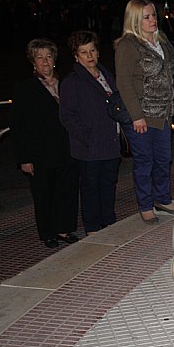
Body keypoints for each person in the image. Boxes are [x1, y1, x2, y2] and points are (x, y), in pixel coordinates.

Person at [12, 38, 80, 248]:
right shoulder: (25, 88)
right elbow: (19, 126)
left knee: (67, 191)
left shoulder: (66, 83)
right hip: (40, 152)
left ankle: (65, 228)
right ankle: (48, 232)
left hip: (67, 148)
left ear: (54, 60)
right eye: (39, 57)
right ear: (33, 61)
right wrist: (25, 158)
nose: (44, 61)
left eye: (48, 56)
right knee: (44, 194)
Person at [115, 0, 174, 223]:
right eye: (147, 17)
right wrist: (136, 115)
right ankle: (145, 204)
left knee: (163, 158)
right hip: (142, 113)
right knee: (145, 161)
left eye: (153, 15)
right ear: (134, 20)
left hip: (163, 111)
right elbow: (124, 83)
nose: (153, 20)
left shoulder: (161, 40)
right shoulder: (128, 45)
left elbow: (169, 74)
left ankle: (162, 196)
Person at [59, 30, 120, 236]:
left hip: (110, 142)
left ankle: (109, 223)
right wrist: (86, 136)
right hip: (89, 147)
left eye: (92, 50)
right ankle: (93, 228)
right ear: (76, 56)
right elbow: (67, 115)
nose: (89, 55)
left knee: (108, 185)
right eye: (84, 52)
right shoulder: (72, 81)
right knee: (90, 189)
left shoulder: (106, 74)